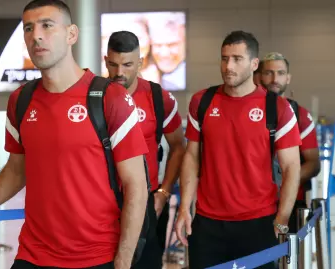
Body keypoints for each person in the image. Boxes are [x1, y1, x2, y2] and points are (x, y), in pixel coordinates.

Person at [0, 1, 150, 269]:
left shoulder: (110, 98)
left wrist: (123, 261)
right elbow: (17, 170)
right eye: (29, 28)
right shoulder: (21, 100)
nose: (36, 35)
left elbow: (136, 186)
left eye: (47, 26)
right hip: (33, 254)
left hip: (96, 256)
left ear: (71, 34)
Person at [175, 30, 302, 269]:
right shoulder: (202, 102)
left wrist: (282, 218)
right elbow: (192, 156)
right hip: (207, 223)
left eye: (236, 59)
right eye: (224, 58)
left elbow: (291, 167)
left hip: (259, 223)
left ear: (254, 64)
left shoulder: (278, 108)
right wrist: (184, 208)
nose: (228, 66)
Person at [104, 30, 185, 268]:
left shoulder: (159, 98)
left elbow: (178, 147)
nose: (120, 73)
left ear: (140, 61)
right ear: (106, 59)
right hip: (101, 201)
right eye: (113, 64)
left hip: (146, 200)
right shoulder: (93, 98)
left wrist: (164, 192)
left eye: (128, 64)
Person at [260, 52, 320, 232]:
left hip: (291, 203)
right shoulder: (247, 112)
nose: (274, 79)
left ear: (288, 78)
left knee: (287, 258)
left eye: (280, 73)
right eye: (268, 73)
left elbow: (313, 163)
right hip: (251, 205)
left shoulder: (300, 115)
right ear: (259, 75)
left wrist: (285, 183)